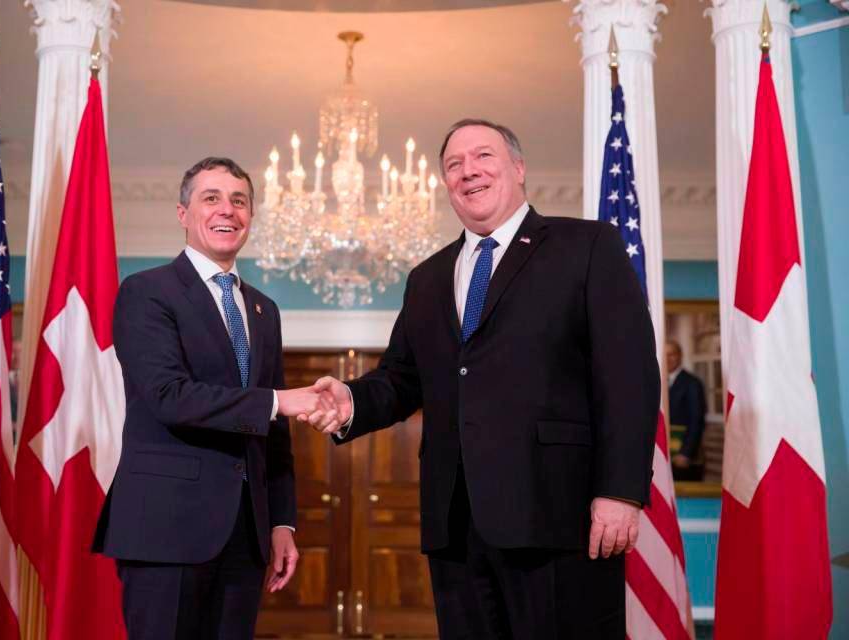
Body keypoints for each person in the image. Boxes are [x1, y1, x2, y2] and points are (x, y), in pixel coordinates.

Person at [303, 120, 660, 639]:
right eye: (454, 164)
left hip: (559, 517)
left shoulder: (586, 246)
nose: (468, 170)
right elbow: (402, 379)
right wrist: (350, 402)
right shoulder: (427, 278)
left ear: (518, 168)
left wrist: (620, 492)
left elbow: (629, 376)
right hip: (456, 527)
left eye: (483, 156)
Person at [93, 157, 335, 639]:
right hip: (166, 529)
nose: (228, 210)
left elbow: (274, 434)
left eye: (239, 201)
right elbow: (169, 396)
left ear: (250, 216)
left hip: (246, 535)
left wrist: (282, 522)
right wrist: (276, 401)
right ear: (183, 213)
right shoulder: (146, 292)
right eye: (212, 198)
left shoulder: (264, 309)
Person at [666, 340, 708, 481]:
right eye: (664, 355)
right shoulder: (657, 382)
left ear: (680, 356)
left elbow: (697, 421)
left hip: (682, 456)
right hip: (663, 453)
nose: (668, 358)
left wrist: (686, 453)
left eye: (672, 354)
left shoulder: (692, 383)